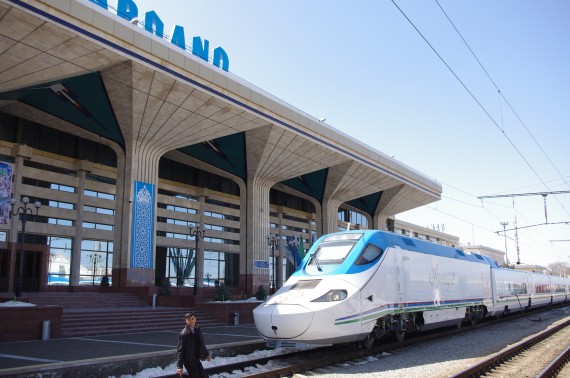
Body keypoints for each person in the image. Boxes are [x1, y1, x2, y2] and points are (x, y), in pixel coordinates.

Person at [176, 312, 211, 377]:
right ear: (186, 321)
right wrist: (179, 367)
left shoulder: (197, 329)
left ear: (195, 319)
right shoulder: (184, 334)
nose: (191, 321)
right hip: (189, 361)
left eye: (192, 319)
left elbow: (201, 344)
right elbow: (180, 351)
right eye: (189, 319)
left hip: (196, 359)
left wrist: (207, 354)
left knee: (203, 376)